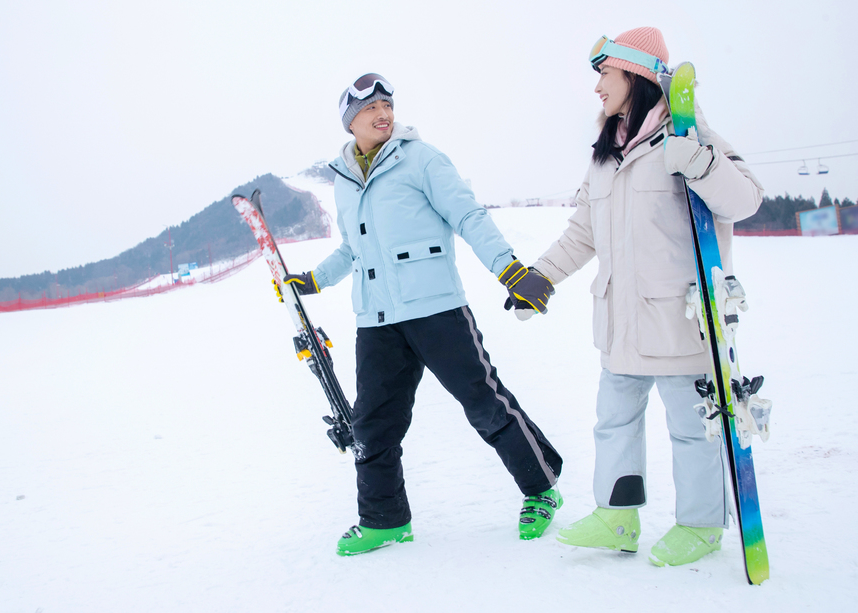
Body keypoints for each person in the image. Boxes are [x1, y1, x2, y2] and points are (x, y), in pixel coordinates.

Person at [282, 73, 564, 556]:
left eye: (387, 104)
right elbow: (352, 248)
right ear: (351, 121)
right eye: (370, 109)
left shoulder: (423, 159)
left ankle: (541, 489)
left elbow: (468, 216)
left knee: (483, 402)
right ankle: (384, 519)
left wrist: (511, 271)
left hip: (436, 308)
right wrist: (314, 280)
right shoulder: (346, 181)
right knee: (373, 425)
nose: (383, 113)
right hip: (376, 318)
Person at [521, 28, 762, 567]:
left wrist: (697, 160)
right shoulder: (605, 153)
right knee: (614, 422)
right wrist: (542, 276)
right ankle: (618, 517)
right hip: (621, 320)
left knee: (690, 430)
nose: (597, 88)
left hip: (678, 318)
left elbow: (745, 200)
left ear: (634, 74)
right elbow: (584, 230)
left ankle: (700, 524)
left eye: (605, 74)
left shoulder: (688, 133)